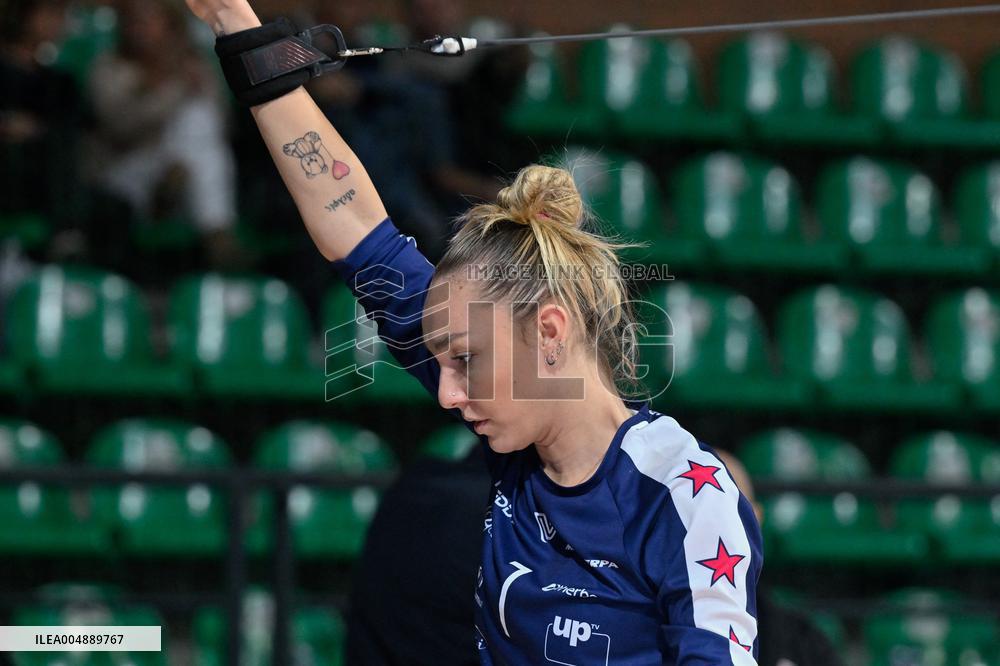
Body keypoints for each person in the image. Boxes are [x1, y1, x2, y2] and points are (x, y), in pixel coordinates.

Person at [183, 1, 763, 662]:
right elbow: (351, 223)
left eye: (466, 361)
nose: (447, 393)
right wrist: (237, 25)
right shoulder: (516, 433)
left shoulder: (683, 494)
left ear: (550, 333)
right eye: (444, 361)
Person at [84, 0, 249, 269]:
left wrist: (192, 83)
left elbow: (222, 126)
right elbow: (120, 129)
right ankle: (217, 232)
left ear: (172, 28)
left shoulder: (193, 67)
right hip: (125, 173)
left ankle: (175, 180)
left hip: (185, 175)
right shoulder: (110, 68)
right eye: (133, 22)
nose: (139, 29)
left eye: (149, 21)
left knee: (199, 124)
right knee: (200, 148)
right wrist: (167, 90)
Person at [716, 450, 842, 666]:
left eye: (726, 508)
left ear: (756, 518)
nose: (711, 525)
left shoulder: (801, 640)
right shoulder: (643, 631)